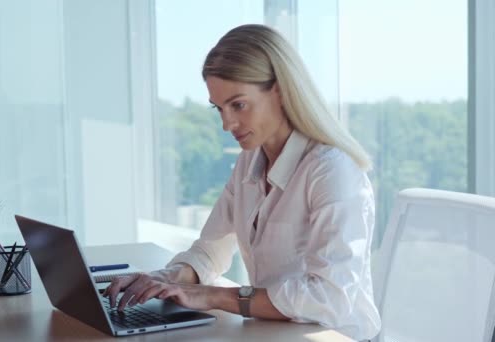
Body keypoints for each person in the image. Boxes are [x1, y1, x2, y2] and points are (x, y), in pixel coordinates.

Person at [103, 23, 381, 341]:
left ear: (280, 90)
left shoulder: (332, 171)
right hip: (272, 332)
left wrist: (213, 296)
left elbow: (329, 299)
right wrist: (161, 281)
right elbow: (210, 252)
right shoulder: (250, 161)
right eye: (219, 109)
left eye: (238, 105)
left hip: (332, 335)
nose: (227, 124)